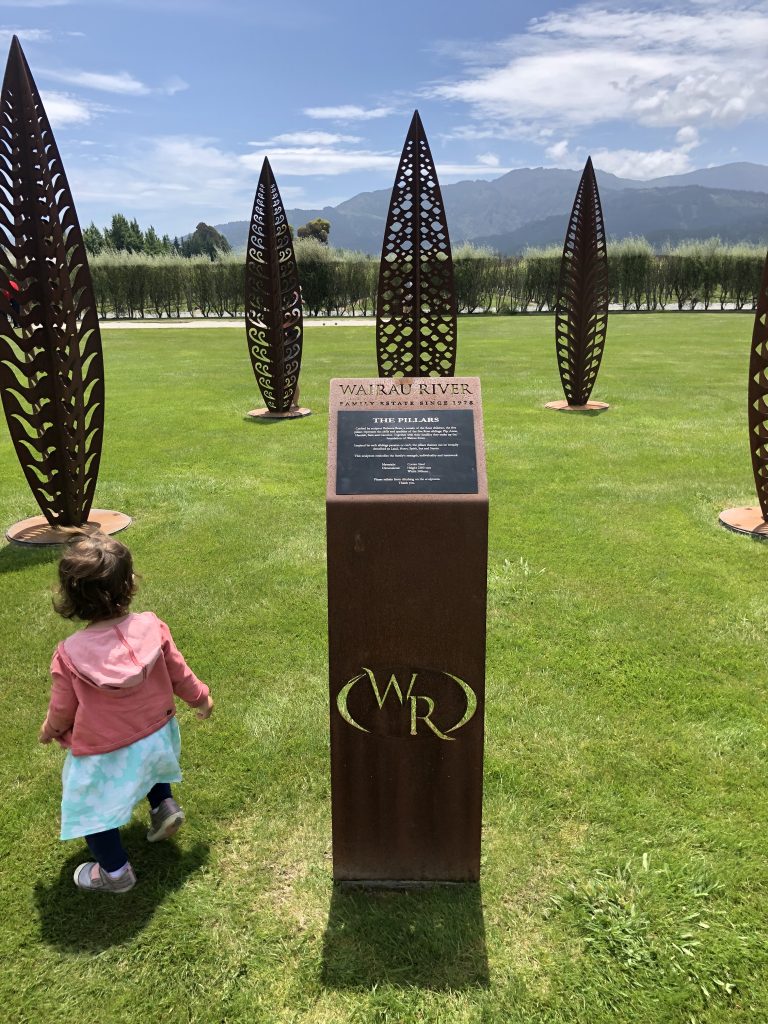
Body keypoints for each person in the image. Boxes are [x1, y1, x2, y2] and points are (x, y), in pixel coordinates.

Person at [38, 531, 214, 893]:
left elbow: (62, 709)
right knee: (149, 765)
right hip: (157, 733)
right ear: (130, 584)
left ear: (70, 597)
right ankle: (163, 805)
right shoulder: (152, 626)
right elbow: (180, 673)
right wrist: (201, 699)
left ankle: (115, 874)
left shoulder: (70, 654)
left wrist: (50, 729)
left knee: (93, 808)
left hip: (105, 750)